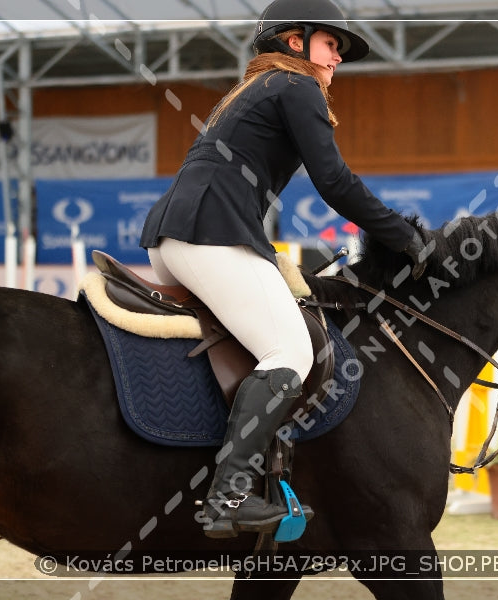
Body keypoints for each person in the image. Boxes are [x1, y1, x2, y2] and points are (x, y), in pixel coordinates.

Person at [139, 0, 427, 539]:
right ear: (295, 41)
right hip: (208, 235)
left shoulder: (259, 87)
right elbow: (336, 182)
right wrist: (406, 237)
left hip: (182, 233)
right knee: (290, 351)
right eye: (330, 45)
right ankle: (227, 496)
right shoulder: (295, 87)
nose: (336, 59)